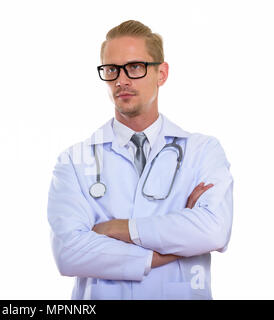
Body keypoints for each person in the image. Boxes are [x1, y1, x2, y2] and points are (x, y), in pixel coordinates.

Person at [47, 20, 233, 300]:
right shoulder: (73, 161)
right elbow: (68, 252)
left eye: (135, 67)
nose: (121, 80)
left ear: (162, 73)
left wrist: (120, 228)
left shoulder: (202, 151)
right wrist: (168, 247)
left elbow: (214, 232)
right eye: (112, 70)